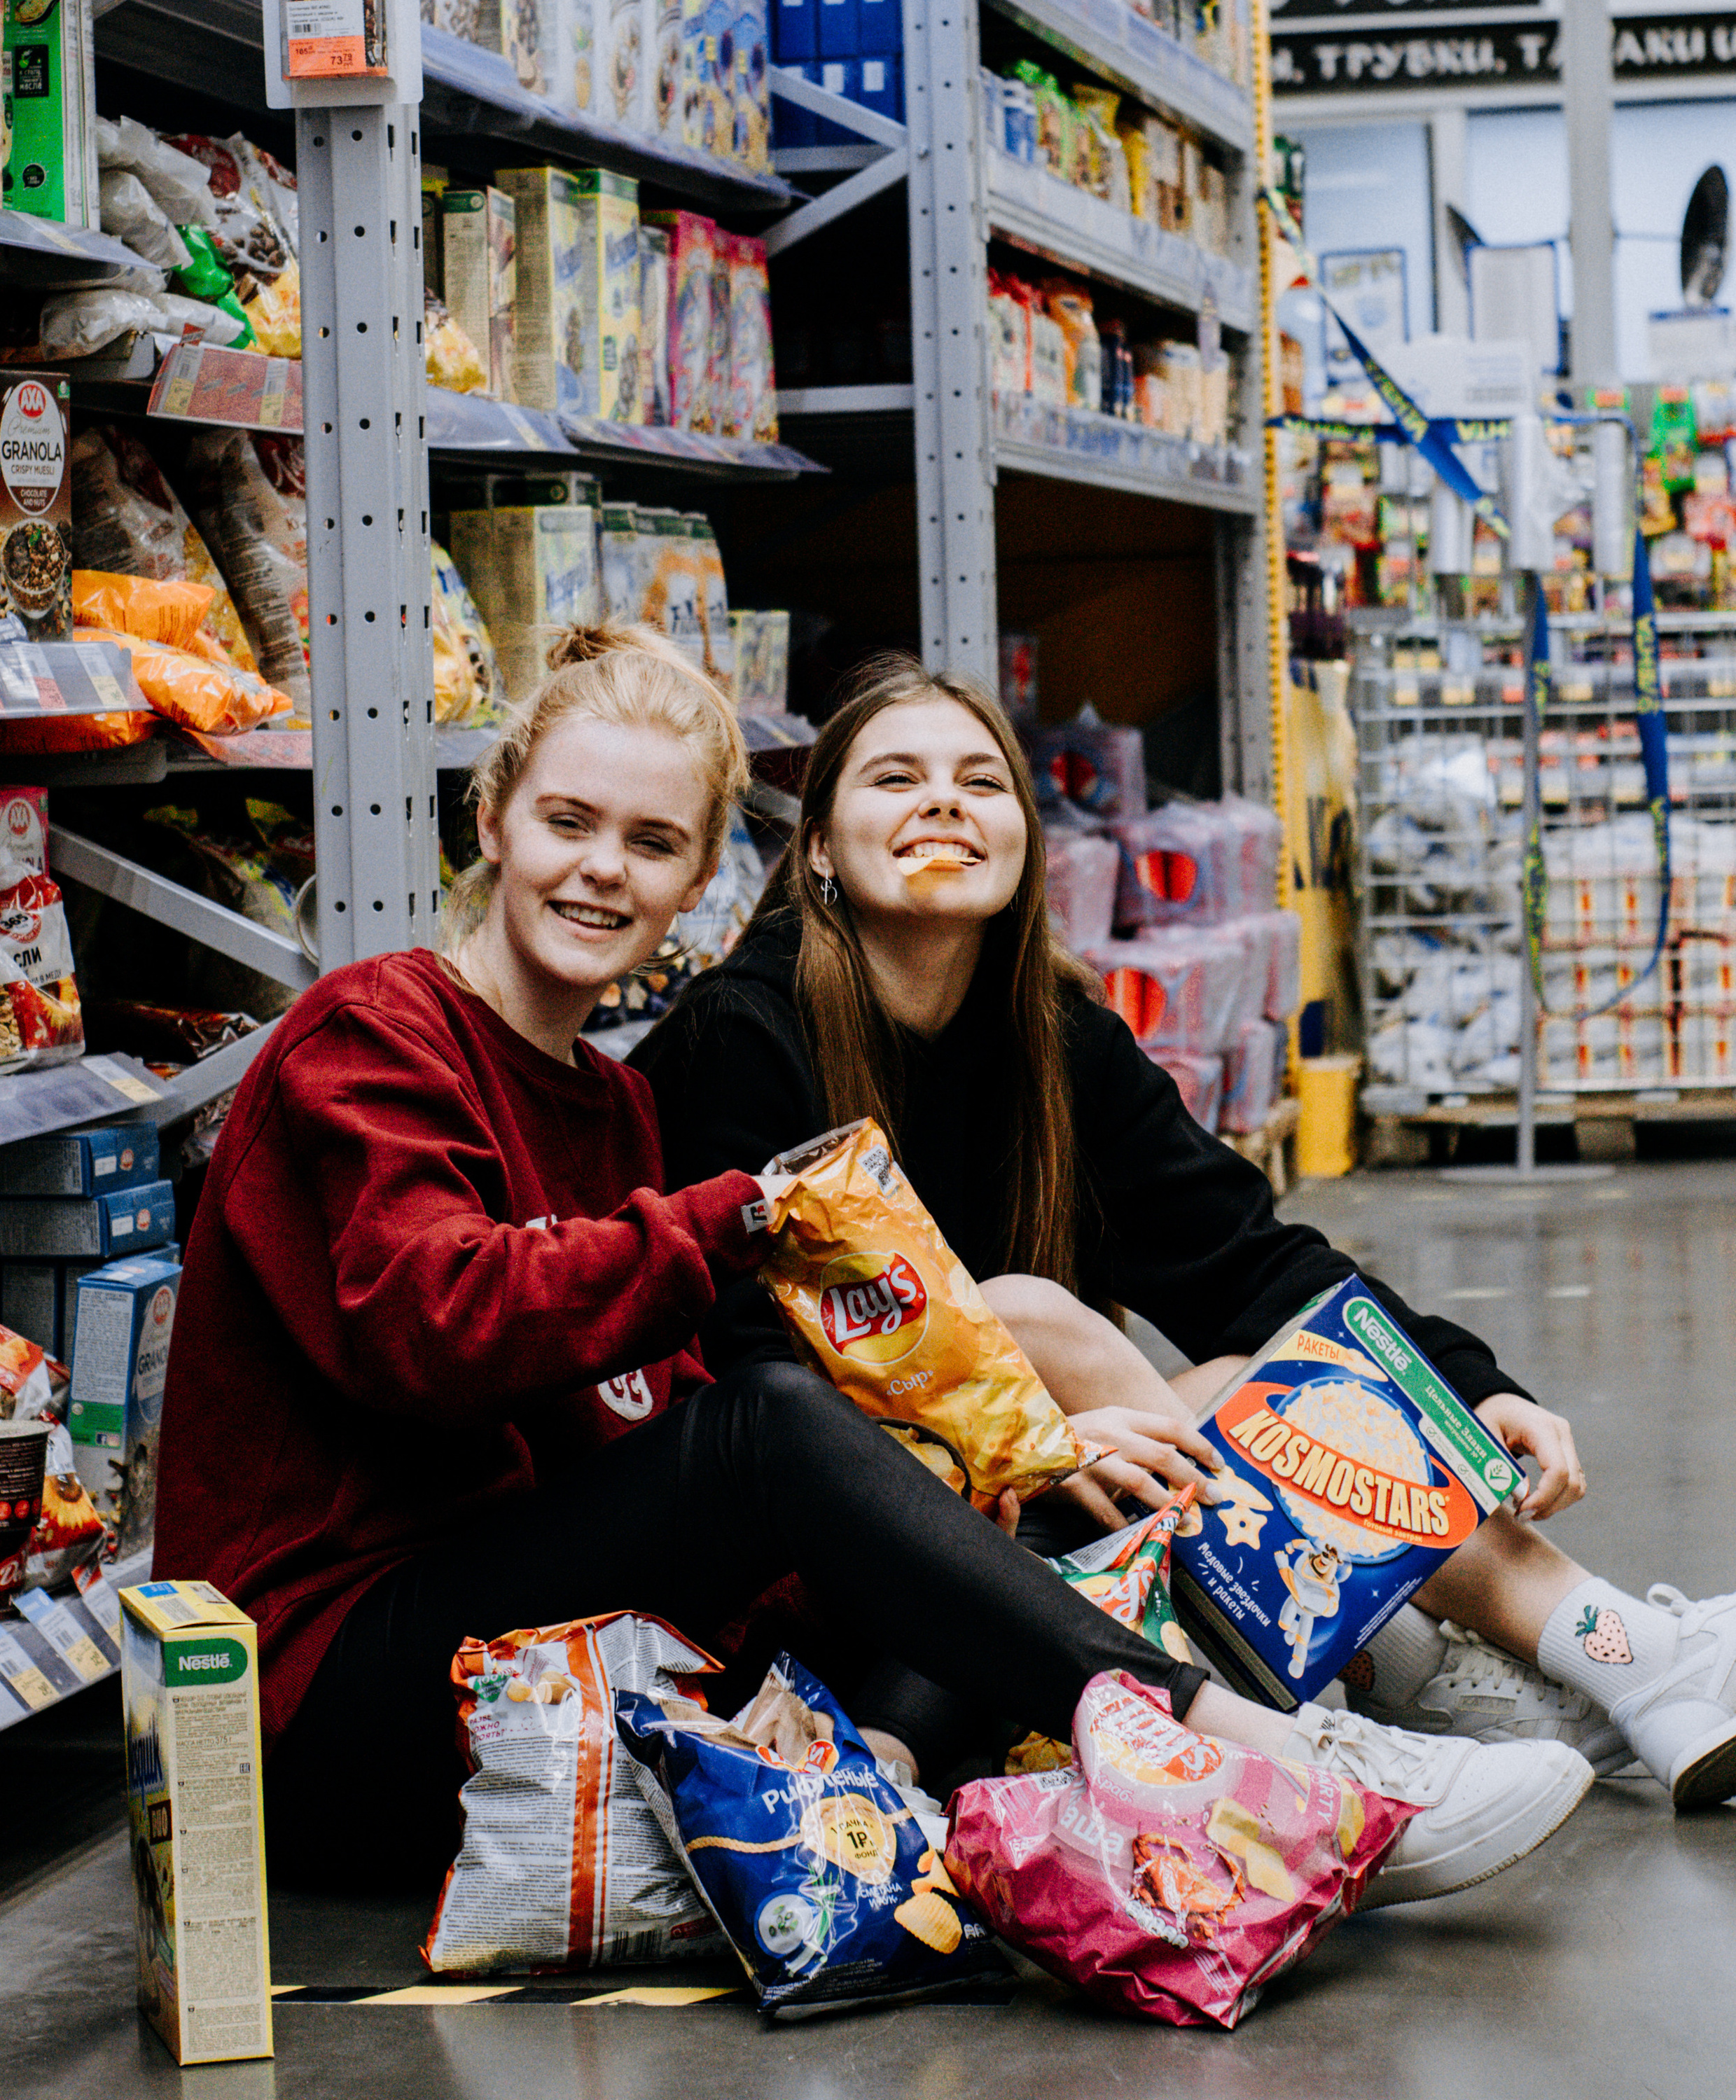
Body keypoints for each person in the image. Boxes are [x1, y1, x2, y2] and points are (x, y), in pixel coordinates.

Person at [155, 625, 1587, 1903]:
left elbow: (1238, 1255)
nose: (602, 869)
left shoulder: (618, 1104)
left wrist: (950, 1525)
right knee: (784, 1427)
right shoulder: (371, 1036)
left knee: (990, 1485)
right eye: (566, 823)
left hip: (526, 1677)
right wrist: (731, 1220)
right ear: (490, 818)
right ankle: (1272, 1759)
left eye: (651, 844)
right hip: (321, 1700)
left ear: (701, 881)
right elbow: (435, 1327)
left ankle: (1049, 1760)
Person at [636, 653, 1736, 1815]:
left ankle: (1588, 1652)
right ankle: (1465, 1677)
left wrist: (1470, 1390)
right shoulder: (743, 1039)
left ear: (1023, 844)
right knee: (1025, 1313)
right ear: (815, 846)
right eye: (895, 779)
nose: (945, 803)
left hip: (1027, 1529)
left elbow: (1253, 1263)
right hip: (823, 1560)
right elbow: (744, 1386)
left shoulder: (1058, 1040)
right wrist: (1026, 1448)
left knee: (1238, 1383)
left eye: (981, 781)